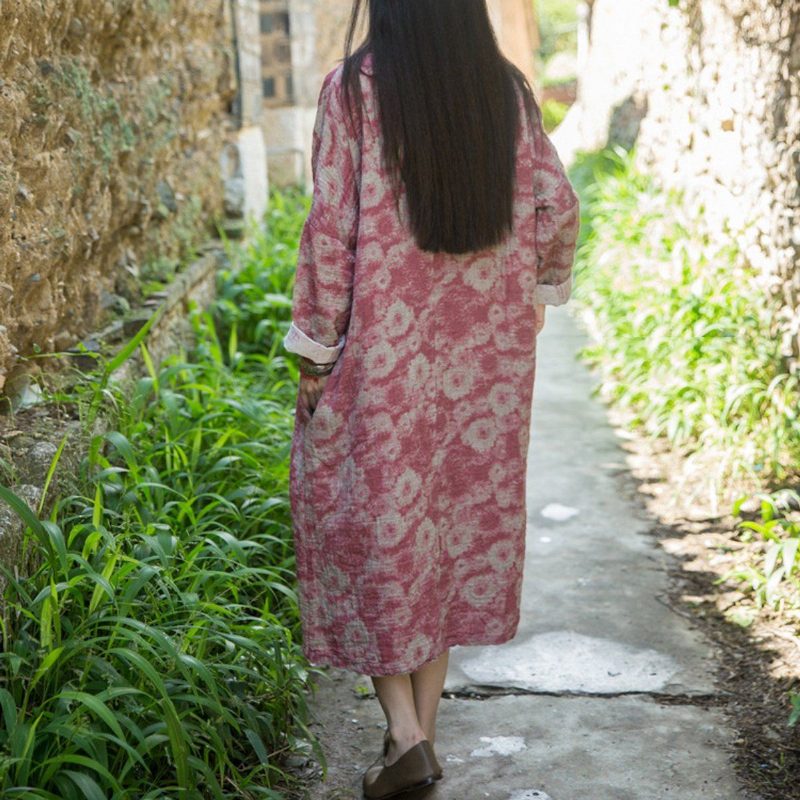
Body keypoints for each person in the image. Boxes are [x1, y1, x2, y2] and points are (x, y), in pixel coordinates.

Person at [281, 1, 580, 797]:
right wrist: (539, 293)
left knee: (378, 533)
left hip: (383, 366)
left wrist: (315, 347)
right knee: (443, 534)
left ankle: (405, 735)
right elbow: (557, 202)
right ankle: (422, 742)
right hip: (485, 367)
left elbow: (330, 232)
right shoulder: (505, 92)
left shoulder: (351, 93)